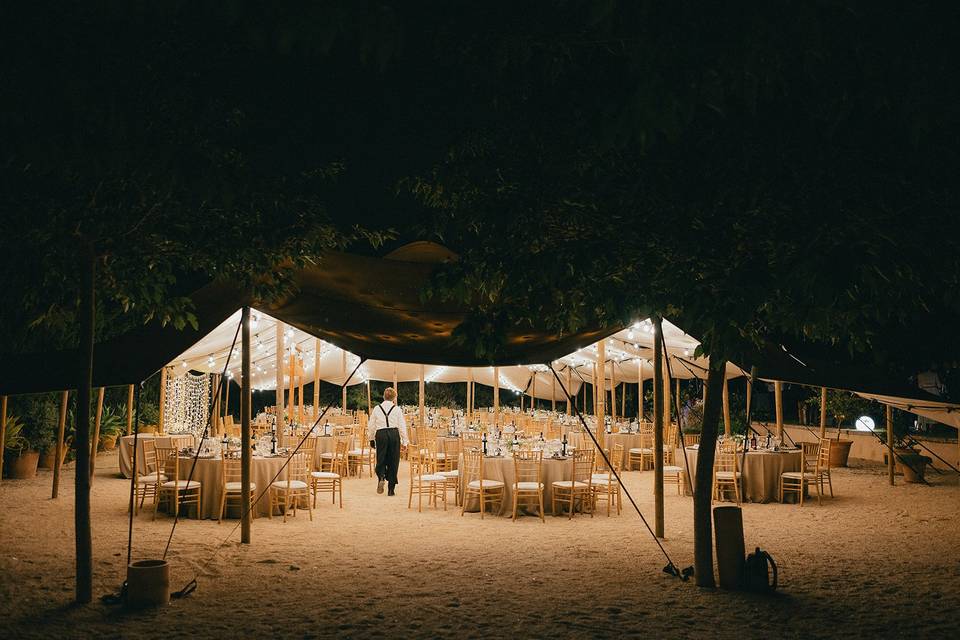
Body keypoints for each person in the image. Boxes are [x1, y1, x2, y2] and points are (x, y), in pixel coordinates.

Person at [367, 387, 409, 495]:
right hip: (394, 434)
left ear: (383, 397)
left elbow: (371, 425)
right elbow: (402, 426)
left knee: (381, 458)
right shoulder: (397, 409)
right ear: (394, 398)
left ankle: (381, 476)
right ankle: (391, 489)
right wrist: (405, 441)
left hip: (381, 434)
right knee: (393, 461)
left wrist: (371, 438)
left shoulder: (377, 408)